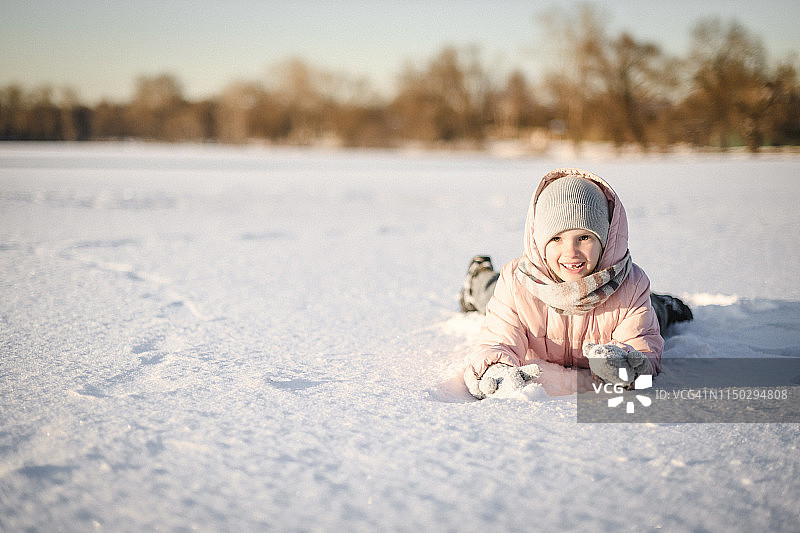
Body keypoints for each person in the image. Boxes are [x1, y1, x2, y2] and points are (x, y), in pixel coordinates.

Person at [459, 168, 692, 399]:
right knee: (489, 293)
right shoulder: (517, 281)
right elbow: (498, 340)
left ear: (605, 238)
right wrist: (496, 369)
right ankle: (478, 275)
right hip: (519, 290)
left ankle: (664, 304)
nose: (571, 252)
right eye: (557, 239)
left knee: (653, 311)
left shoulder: (631, 284)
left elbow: (642, 345)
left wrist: (626, 364)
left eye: (584, 237)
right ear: (540, 243)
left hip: (627, 297)